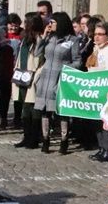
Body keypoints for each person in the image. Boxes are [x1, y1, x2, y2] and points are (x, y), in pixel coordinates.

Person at [33, 11, 82, 153]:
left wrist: (65, 69)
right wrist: (43, 37)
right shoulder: (49, 38)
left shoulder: (72, 40)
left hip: (60, 78)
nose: (50, 25)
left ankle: (64, 140)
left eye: (53, 22)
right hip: (46, 78)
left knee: (61, 111)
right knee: (44, 111)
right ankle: (45, 140)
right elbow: (37, 53)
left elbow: (78, 61)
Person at [86, 21, 108, 162]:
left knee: (105, 121)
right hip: (95, 89)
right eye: (95, 34)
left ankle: (107, 149)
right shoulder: (97, 49)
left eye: (100, 34)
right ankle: (101, 148)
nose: (97, 37)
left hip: (104, 91)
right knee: (97, 122)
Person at [12, 14, 45, 149]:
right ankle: (26, 136)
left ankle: (34, 138)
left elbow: (41, 61)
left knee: (33, 109)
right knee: (25, 109)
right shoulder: (25, 39)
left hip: (33, 77)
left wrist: (35, 76)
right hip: (22, 76)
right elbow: (20, 57)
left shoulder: (40, 40)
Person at [0, 13, 21, 129]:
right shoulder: (2, 34)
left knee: (17, 96)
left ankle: (17, 118)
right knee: (2, 96)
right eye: (11, 25)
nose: (13, 28)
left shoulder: (22, 35)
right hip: (4, 69)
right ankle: (3, 118)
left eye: (16, 26)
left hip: (18, 69)